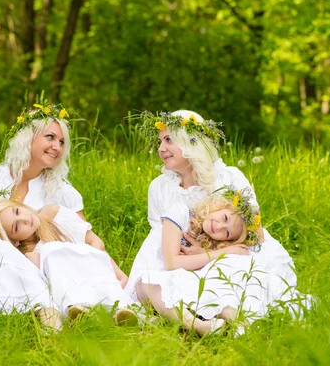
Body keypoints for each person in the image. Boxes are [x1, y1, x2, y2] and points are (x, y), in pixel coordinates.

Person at [125, 110, 306, 328]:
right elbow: (159, 239)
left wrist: (208, 253)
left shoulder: (228, 177)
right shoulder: (160, 187)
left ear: (190, 142)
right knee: (151, 284)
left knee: (238, 280)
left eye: (169, 140)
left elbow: (254, 232)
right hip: (178, 258)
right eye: (160, 141)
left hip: (230, 254)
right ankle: (202, 318)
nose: (161, 149)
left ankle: (224, 314)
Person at [0, 103, 95, 248]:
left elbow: (88, 242)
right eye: (50, 137)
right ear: (28, 136)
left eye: (62, 142)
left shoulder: (63, 193)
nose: (57, 147)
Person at [137, 188, 266, 336]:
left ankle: (237, 320)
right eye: (225, 218)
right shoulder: (180, 213)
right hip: (157, 281)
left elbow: (259, 241)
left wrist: (208, 254)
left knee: (219, 276)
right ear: (221, 206)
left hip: (186, 285)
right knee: (149, 283)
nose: (218, 227)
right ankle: (199, 326)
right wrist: (217, 253)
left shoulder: (212, 242)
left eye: (227, 233)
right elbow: (171, 264)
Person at [0, 199, 137, 326]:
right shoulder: (29, 257)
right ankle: (82, 313)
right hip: (69, 288)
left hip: (93, 267)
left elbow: (95, 242)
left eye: (17, 211)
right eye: (16, 227)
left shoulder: (55, 218)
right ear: (15, 241)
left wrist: (82, 262)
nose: (24, 219)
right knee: (51, 256)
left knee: (55, 251)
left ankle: (119, 313)